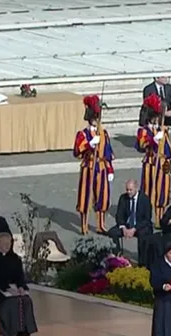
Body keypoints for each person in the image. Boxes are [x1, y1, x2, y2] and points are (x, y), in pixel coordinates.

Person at [0, 233, 39, 336]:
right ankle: (6, 332)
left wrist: (21, 287)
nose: (7, 246)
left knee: (26, 300)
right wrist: (7, 289)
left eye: (8, 243)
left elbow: (20, 277)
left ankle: (23, 331)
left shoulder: (15, 259)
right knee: (9, 301)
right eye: (4, 243)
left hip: (13, 288)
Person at [73, 94, 114, 234]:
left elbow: (108, 153)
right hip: (88, 167)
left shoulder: (104, 133)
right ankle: (84, 225)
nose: (97, 121)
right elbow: (77, 151)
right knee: (85, 197)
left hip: (101, 168)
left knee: (102, 197)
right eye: (95, 118)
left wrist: (110, 170)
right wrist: (89, 144)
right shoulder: (83, 134)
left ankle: (100, 224)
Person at [137, 93, 171, 228]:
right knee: (149, 191)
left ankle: (160, 219)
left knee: (161, 191)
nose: (157, 120)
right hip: (151, 163)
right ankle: (147, 218)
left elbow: (168, 148)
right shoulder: (144, 131)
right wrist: (153, 140)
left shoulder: (162, 129)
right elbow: (141, 144)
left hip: (161, 164)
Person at [107, 179, 153, 264]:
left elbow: (147, 219)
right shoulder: (123, 198)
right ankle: (117, 258)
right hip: (127, 225)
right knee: (112, 232)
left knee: (144, 234)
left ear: (136, 188)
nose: (128, 192)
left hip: (140, 225)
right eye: (127, 189)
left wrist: (134, 229)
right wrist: (123, 228)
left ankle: (142, 262)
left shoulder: (145, 199)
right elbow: (119, 215)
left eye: (130, 190)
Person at [142, 77, 171, 154]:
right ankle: (156, 145)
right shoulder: (148, 89)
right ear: (157, 78)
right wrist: (163, 113)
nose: (167, 78)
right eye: (164, 77)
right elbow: (148, 108)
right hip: (156, 117)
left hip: (169, 116)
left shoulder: (169, 88)